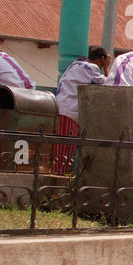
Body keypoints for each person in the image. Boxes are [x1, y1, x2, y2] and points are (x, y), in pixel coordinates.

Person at [52, 46, 111, 174]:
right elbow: (110, 85)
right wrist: (106, 68)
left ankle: (59, 177)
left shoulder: (75, 65)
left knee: (61, 149)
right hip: (70, 112)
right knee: (65, 151)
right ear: (102, 58)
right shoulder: (92, 68)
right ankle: (59, 180)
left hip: (60, 108)